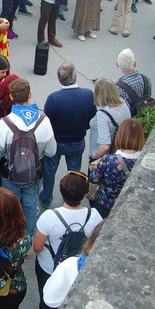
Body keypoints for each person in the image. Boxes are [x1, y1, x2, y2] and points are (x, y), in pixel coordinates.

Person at [32, 171, 103, 309]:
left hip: (49, 266)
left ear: (62, 192)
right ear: (84, 194)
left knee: (47, 297)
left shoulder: (49, 217)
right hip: (78, 266)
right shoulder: (93, 216)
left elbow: (37, 247)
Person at [0, 78, 56, 235]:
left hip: (10, 173)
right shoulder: (44, 121)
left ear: (11, 97)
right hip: (34, 172)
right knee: (31, 203)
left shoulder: (4, 123)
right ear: (30, 95)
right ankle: (29, 234)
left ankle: (12, 232)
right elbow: (51, 152)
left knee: (11, 204)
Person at [41, 63, 96, 208]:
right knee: (74, 173)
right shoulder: (88, 94)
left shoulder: (53, 98)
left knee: (49, 172)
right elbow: (92, 117)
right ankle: (73, 199)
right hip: (77, 141)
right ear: (75, 76)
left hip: (56, 142)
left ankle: (46, 198)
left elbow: (47, 123)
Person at [89, 118, 144, 218]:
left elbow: (93, 178)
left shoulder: (109, 160)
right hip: (129, 205)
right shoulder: (144, 161)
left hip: (105, 204)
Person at [89, 78, 130, 162]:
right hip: (121, 152)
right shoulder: (124, 102)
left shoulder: (103, 114)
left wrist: (94, 159)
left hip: (103, 157)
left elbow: (105, 146)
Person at [115, 48, 153, 112]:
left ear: (117, 64)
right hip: (146, 112)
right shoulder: (146, 79)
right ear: (135, 63)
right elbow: (149, 95)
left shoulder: (118, 88)